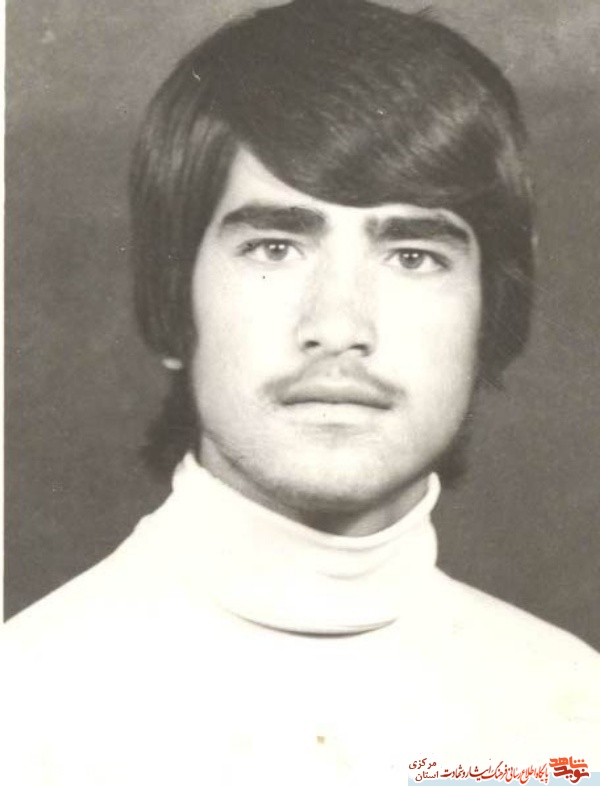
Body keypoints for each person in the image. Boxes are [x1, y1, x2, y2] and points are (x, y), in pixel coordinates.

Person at [4, 0, 599, 782]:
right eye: (274, 247)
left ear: (493, 315)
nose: (339, 325)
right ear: (171, 303)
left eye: (413, 256)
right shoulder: (25, 708)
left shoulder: (572, 709)